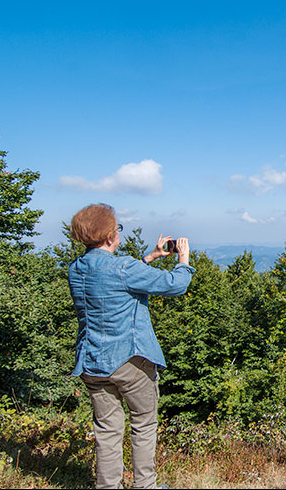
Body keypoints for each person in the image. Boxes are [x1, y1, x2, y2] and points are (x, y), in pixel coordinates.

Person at [67, 203, 195, 489]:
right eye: (117, 229)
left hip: (92, 361)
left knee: (107, 430)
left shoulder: (75, 270)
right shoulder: (124, 267)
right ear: (111, 236)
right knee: (144, 424)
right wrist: (183, 260)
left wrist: (149, 257)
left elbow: (108, 278)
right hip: (131, 360)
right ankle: (144, 485)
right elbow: (174, 285)